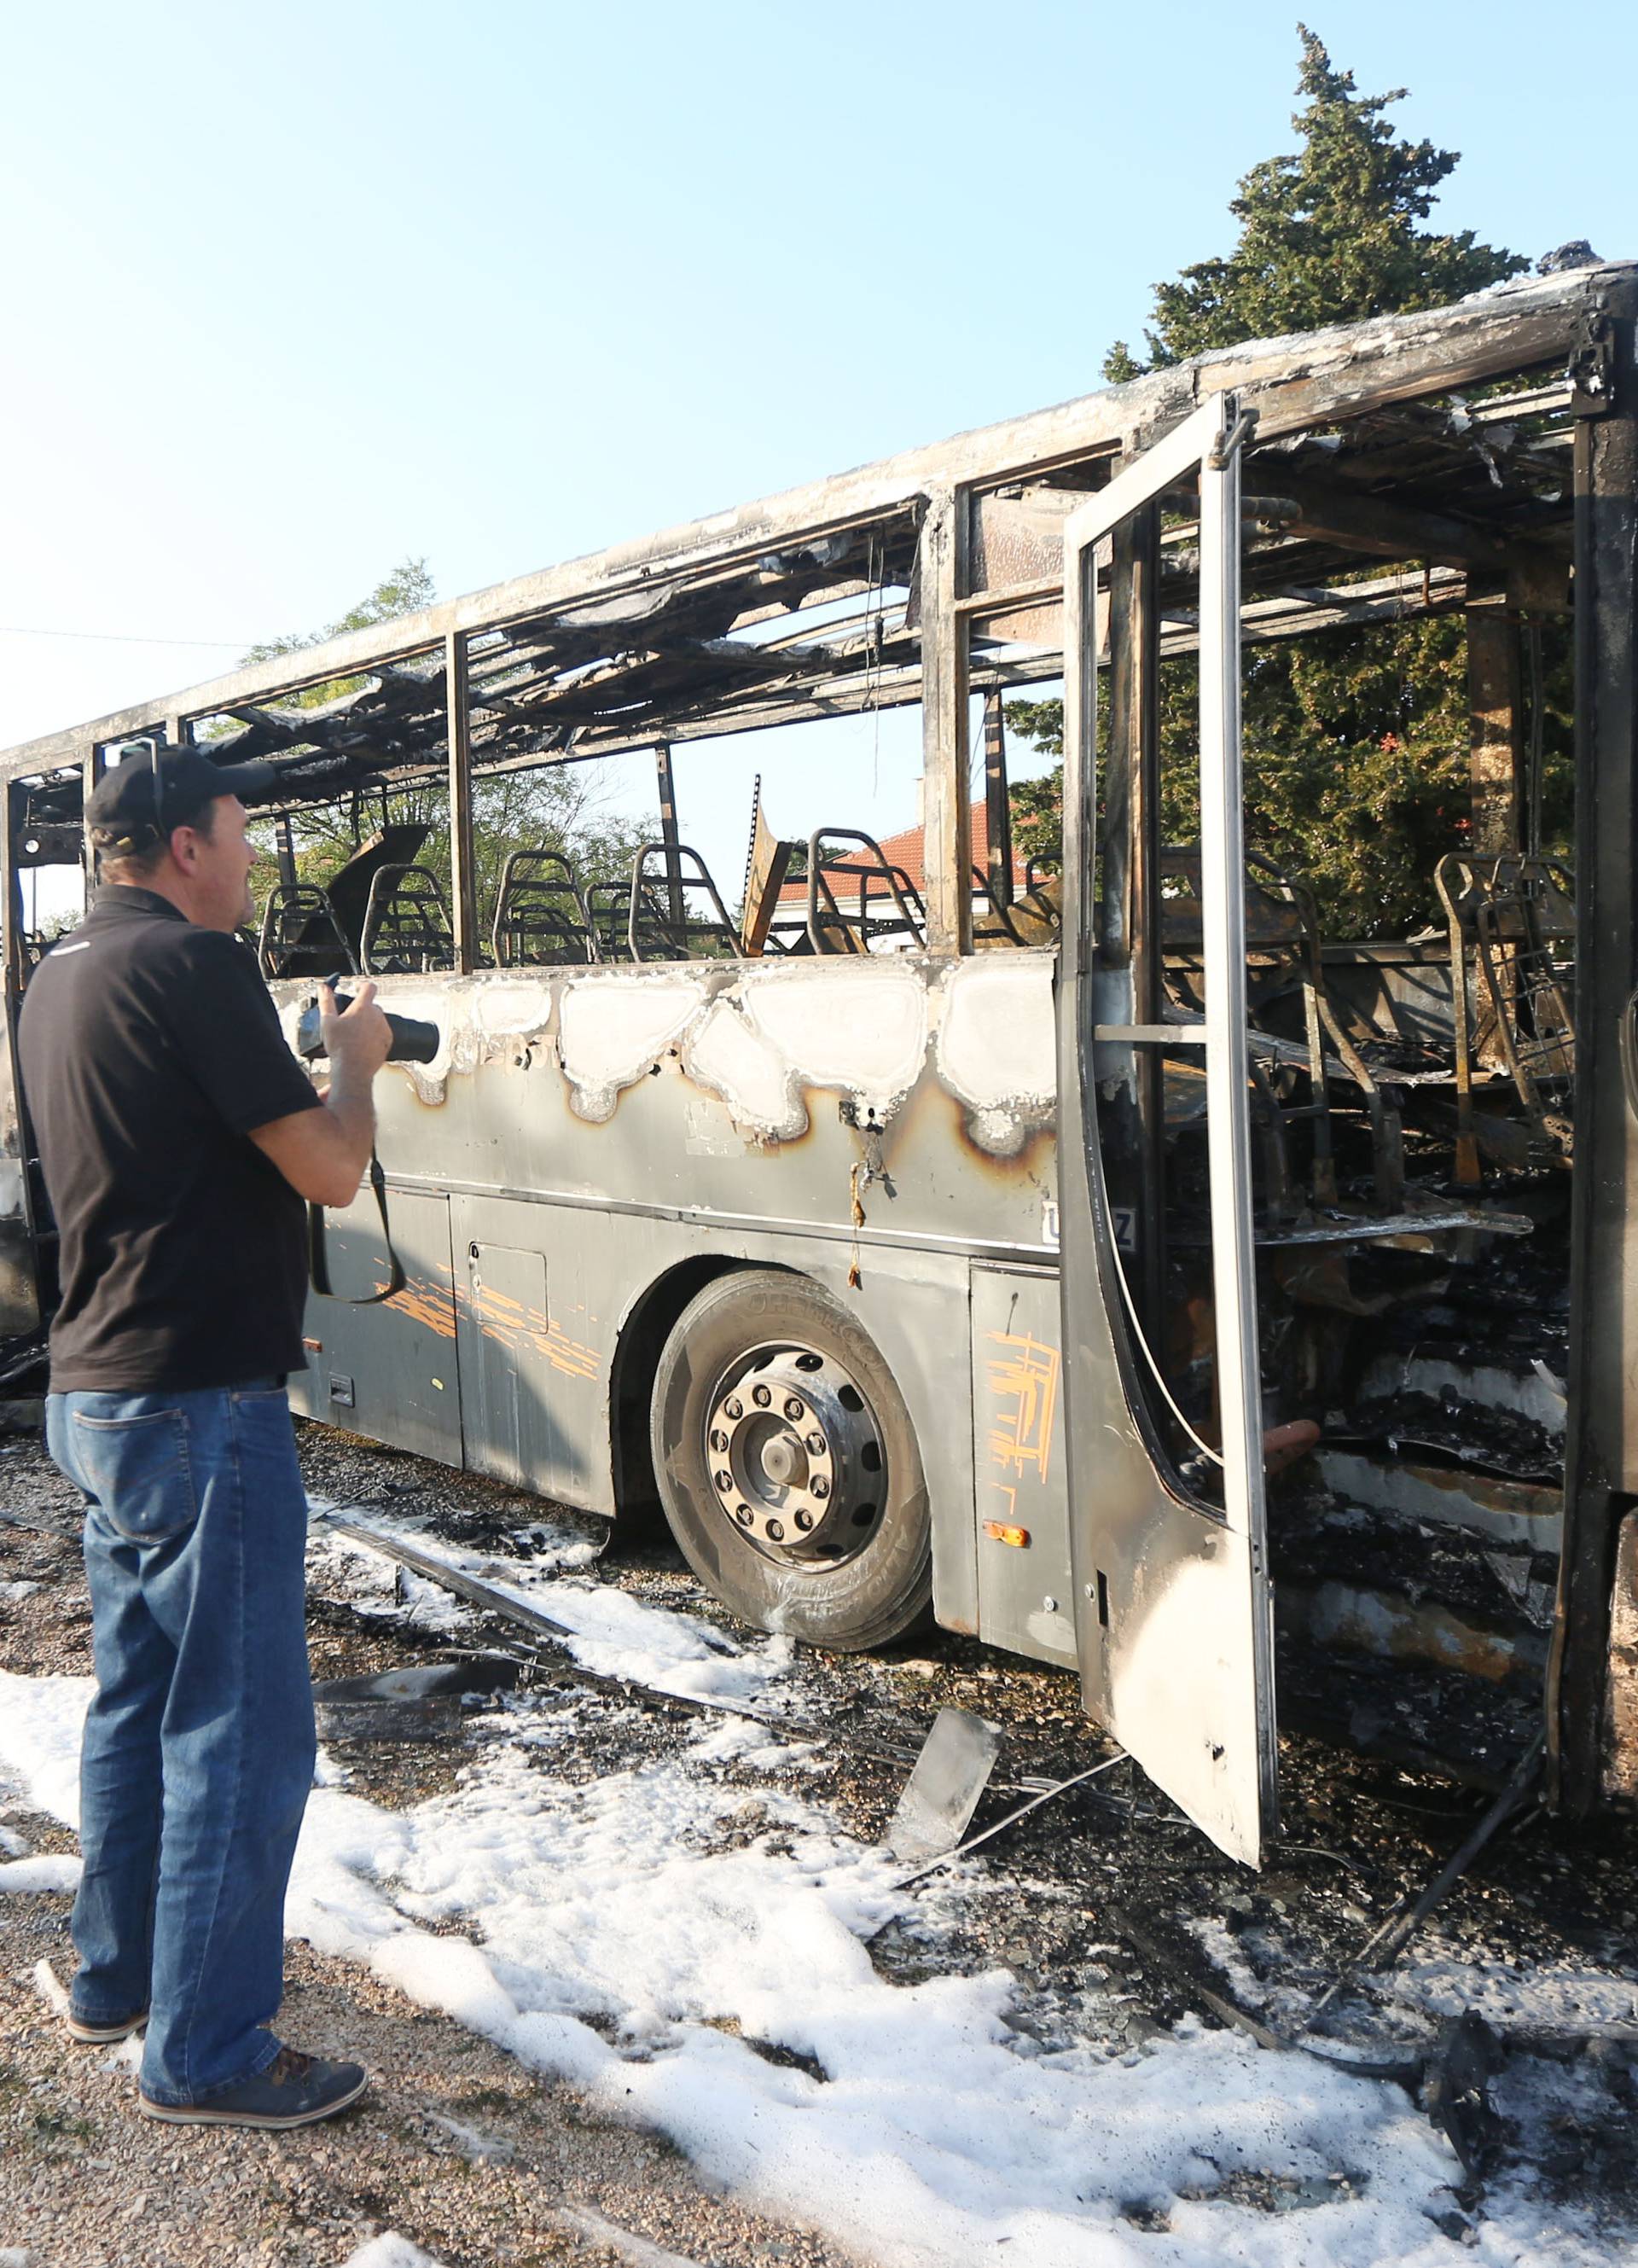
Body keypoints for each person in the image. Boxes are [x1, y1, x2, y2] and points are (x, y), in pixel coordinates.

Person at [18, 743, 393, 2131]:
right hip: (198, 1404)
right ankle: (211, 2050)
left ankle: (114, 1977)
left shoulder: (57, 976)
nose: (248, 858)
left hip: (94, 1390)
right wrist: (355, 1064)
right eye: (239, 834)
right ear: (184, 846)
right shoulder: (195, 968)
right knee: (240, 1732)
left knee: (134, 1698)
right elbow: (331, 1166)